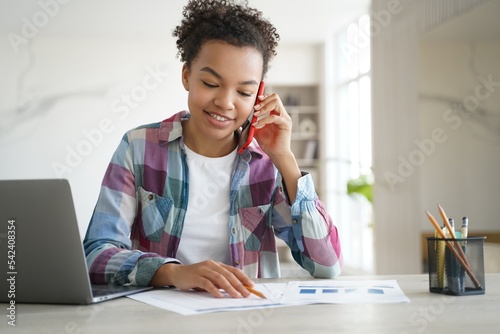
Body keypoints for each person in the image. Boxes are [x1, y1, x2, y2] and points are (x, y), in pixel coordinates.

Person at [84, 0, 342, 299]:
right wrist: (173, 272)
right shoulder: (139, 147)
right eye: (210, 83)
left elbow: (327, 264)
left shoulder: (267, 165)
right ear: (186, 76)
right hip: (158, 318)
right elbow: (96, 253)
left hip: (246, 315)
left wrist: (284, 158)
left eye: (244, 92)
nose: (226, 102)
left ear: (259, 94)